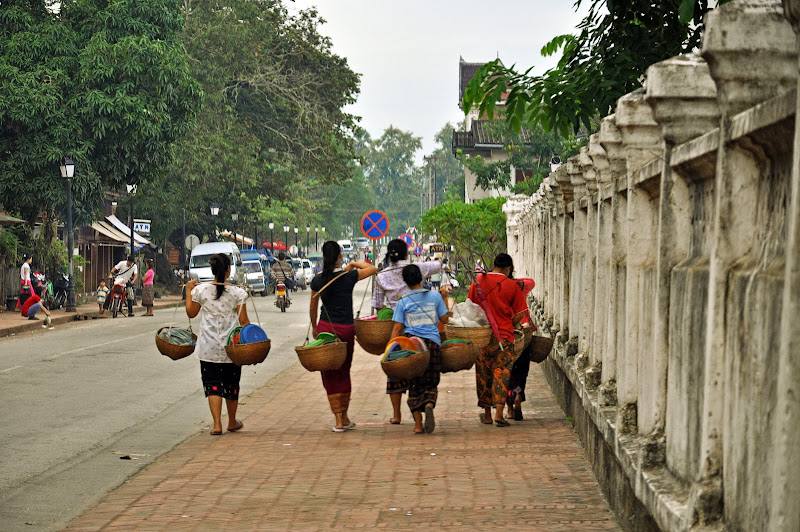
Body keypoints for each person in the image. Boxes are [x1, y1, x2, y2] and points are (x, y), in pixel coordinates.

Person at [372, 239, 442, 424]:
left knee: (394, 372)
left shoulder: (382, 276)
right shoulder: (417, 268)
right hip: (424, 332)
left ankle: (397, 415)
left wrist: (389, 343)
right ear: (405, 253)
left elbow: (378, 307)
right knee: (421, 372)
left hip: (399, 329)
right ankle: (427, 402)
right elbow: (437, 265)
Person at [309, 241, 376, 432]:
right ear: (340, 257)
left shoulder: (318, 280)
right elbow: (372, 268)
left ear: (323, 257)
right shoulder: (349, 276)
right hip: (346, 329)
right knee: (344, 370)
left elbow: (313, 308)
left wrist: (315, 327)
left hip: (326, 329)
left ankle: (338, 419)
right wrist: (354, 264)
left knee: (329, 373)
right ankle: (344, 417)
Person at [185, 253, 250, 436]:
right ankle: (231, 421)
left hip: (208, 346)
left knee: (212, 384)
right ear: (228, 271)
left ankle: (216, 425)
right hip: (231, 348)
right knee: (231, 384)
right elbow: (243, 320)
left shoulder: (202, 291)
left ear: (212, 270)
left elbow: (191, 313)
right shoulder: (238, 293)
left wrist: (188, 291)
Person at [390, 264, 451, 434]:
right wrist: (444, 297)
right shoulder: (434, 295)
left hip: (413, 347)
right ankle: (429, 404)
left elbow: (397, 329)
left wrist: (390, 350)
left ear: (405, 281)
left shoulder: (403, 301)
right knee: (430, 381)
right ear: (421, 278)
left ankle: (418, 425)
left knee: (414, 384)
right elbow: (445, 319)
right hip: (432, 344)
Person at [468, 253, 527, 427]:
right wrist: (508, 323)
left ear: (493, 264)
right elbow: (520, 314)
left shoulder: (479, 280)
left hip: (483, 337)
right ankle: (499, 414)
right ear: (508, 269)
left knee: (484, 374)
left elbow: (470, 306)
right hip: (505, 337)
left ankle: (487, 414)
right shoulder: (512, 285)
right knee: (501, 373)